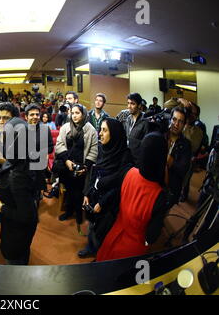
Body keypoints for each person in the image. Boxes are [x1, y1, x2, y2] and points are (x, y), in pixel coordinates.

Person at [96, 132, 171, 261]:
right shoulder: (160, 195)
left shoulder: (129, 171)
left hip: (115, 232)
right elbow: (151, 236)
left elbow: (103, 184)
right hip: (135, 247)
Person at [0, 108, 38, 265]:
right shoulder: (22, 159)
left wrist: (0, 207)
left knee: (15, 262)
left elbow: (27, 216)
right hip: (15, 225)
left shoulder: (17, 177)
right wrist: (2, 186)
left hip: (18, 230)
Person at [78, 119, 133, 258]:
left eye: (104, 130)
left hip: (110, 203)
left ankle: (100, 257)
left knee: (103, 233)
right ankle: (91, 248)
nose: (100, 134)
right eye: (100, 129)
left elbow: (120, 185)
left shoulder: (125, 156)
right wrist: (87, 193)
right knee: (92, 226)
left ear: (114, 133)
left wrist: (102, 203)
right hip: (96, 196)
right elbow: (95, 171)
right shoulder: (103, 148)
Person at [55, 104, 98, 234]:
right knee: (68, 189)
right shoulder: (65, 127)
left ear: (83, 114)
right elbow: (59, 144)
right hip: (66, 164)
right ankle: (68, 211)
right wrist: (67, 161)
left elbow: (94, 150)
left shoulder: (90, 129)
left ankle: (79, 213)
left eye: (77, 113)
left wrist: (86, 166)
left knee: (79, 191)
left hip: (82, 166)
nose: (74, 115)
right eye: (72, 113)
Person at [165, 107, 192, 207]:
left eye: (180, 122)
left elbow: (183, 168)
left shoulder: (186, 144)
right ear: (170, 119)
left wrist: (169, 161)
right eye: (174, 119)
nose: (176, 124)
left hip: (171, 189)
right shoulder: (161, 136)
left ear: (184, 125)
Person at [123, 93, 150, 164]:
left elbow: (146, 145)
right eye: (128, 103)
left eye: (132, 104)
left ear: (139, 105)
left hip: (138, 161)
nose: (129, 106)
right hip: (127, 158)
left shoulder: (145, 120)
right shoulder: (128, 119)